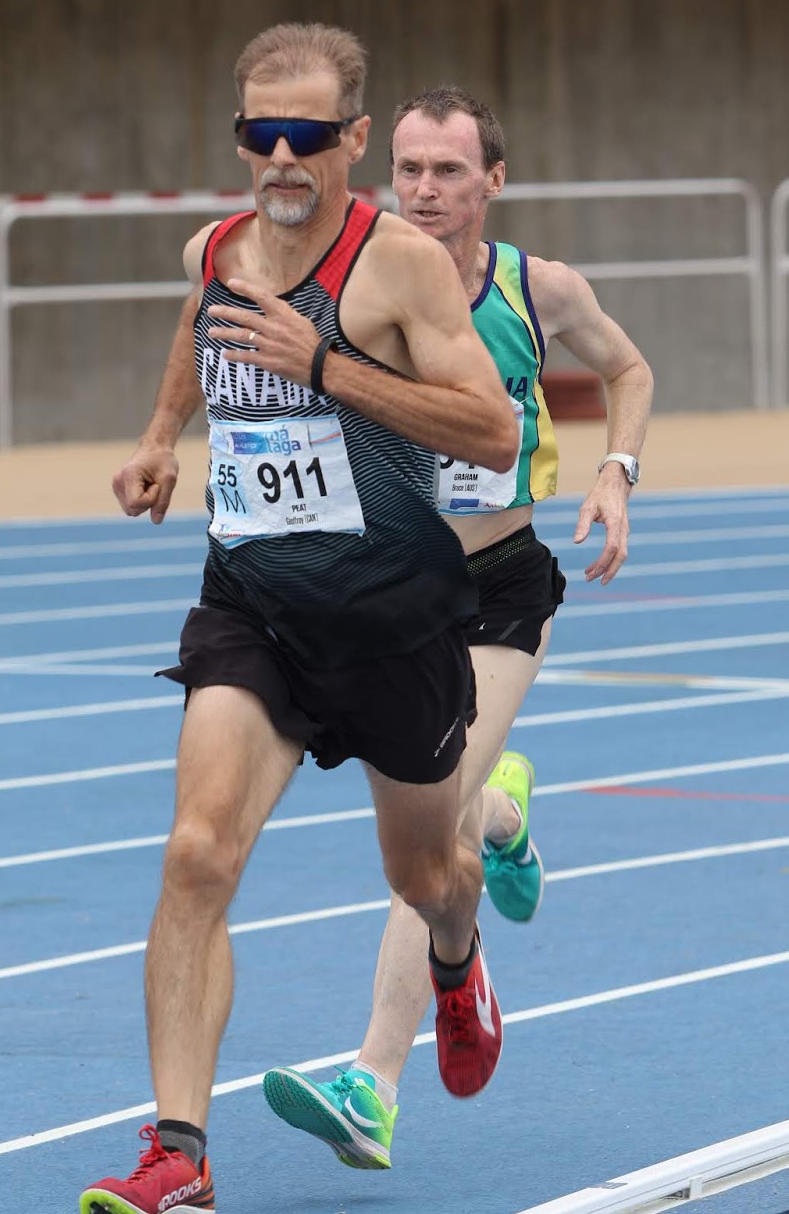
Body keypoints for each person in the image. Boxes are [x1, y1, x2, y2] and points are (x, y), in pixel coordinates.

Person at [83, 27, 519, 1214]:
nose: (280, 157)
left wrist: (322, 364)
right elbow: (199, 321)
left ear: (354, 141)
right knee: (195, 852)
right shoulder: (220, 247)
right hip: (257, 605)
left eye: (307, 136)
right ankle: (180, 1151)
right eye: (258, 134)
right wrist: (161, 438)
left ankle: (456, 959)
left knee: (425, 869)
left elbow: (492, 432)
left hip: (393, 620)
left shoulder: (401, 269)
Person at [262, 85, 653, 1170]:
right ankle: (502, 821)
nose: (425, 188)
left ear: (492, 180)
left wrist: (616, 475)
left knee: (415, 838)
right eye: (410, 167)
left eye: (447, 169)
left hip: (497, 592)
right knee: (441, 819)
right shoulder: (352, 281)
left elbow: (627, 367)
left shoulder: (539, 288)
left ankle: (372, 1084)